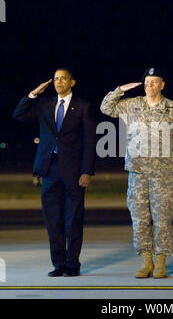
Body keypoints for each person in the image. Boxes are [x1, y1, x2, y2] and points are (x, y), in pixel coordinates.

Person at [100, 68, 173, 278]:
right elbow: (106, 107)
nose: (149, 86)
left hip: (163, 174)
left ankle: (160, 261)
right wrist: (120, 90)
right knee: (139, 219)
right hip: (138, 173)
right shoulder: (132, 105)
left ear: (162, 85)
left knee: (162, 219)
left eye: (154, 82)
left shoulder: (172, 109)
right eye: (147, 82)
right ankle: (146, 261)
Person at [13, 68, 96, 277]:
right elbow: (19, 114)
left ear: (72, 82)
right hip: (50, 170)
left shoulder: (83, 107)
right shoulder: (45, 104)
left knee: (73, 219)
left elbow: (89, 142)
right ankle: (58, 264)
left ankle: (72, 264)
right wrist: (33, 94)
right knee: (53, 220)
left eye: (63, 78)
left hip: (74, 171)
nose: (59, 82)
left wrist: (86, 171)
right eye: (56, 79)